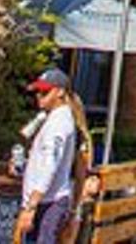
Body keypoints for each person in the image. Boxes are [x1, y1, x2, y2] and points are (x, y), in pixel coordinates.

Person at [15, 68, 79, 244]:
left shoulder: (59, 123)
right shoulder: (53, 118)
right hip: (46, 201)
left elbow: (50, 166)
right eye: (38, 91)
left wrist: (31, 206)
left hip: (47, 203)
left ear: (60, 92)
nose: (39, 96)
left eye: (45, 91)